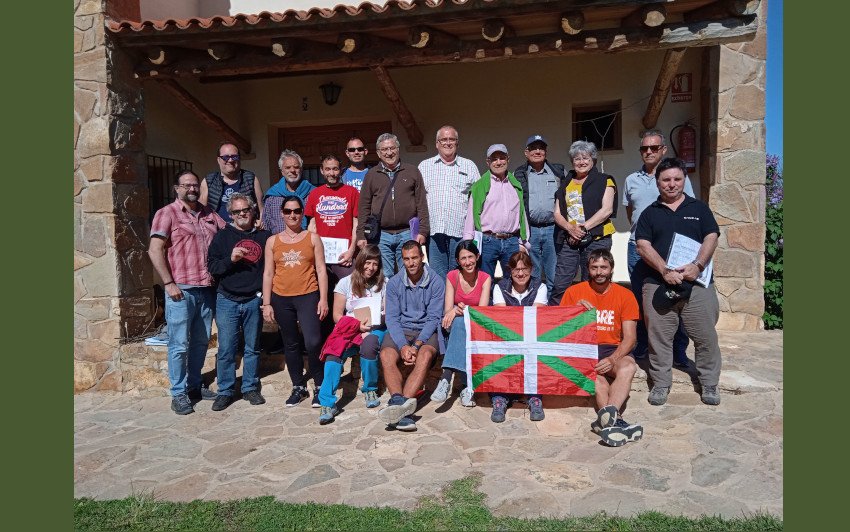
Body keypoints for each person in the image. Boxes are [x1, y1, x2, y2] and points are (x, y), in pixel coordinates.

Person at [635, 157, 722, 406]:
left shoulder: (699, 208)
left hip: (697, 284)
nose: (671, 184)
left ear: (684, 180)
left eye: (677, 179)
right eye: (666, 180)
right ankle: (661, 384)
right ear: (658, 183)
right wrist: (664, 270)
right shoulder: (649, 213)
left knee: (705, 337)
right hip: (658, 283)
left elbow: (712, 236)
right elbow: (642, 245)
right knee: (659, 338)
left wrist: (698, 265)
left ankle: (710, 384)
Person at [148, 169, 225, 415]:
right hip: (180, 289)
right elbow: (154, 250)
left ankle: (194, 385)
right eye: (186, 185)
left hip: (207, 288)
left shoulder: (209, 214)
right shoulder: (166, 214)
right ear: (177, 188)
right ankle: (178, 392)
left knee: (201, 342)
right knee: (179, 344)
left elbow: (231, 233)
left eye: (195, 185)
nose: (192, 189)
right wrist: (168, 283)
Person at [623, 131, 695, 367]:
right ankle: (643, 344)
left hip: (670, 250)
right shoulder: (631, 179)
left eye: (654, 148)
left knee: (678, 298)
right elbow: (631, 213)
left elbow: (688, 208)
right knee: (640, 300)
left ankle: (679, 350)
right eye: (645, 148)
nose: (649, 152)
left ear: (664, 149)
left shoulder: (674, 178)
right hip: (638, 248)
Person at [560, 249, 642, 446]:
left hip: (611, 349)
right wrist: (575, 311)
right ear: (588, 270)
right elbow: (561, 331)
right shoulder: (574, 292)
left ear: (612, 269)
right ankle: (617, 422)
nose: (599, 272)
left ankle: (606, 421)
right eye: (594, 267)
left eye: (603, 267)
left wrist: (613, 359)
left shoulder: (625, 295)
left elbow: (630, 338)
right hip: (583, 349)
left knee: (628, 367)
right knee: (599, 383)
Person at [205, 193, 271, 411]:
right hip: (227, 300)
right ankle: (225, 391)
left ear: (252, 211)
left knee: (252, 348)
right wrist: (230, 260)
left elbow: (271, 270)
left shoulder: (264, 236)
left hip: (253, 300)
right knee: (226, 349)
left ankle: (250, 387)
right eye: (236, 211)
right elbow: (213, 268)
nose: (242, 214)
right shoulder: (222, 237)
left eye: (245, 210)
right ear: (230, 214)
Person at [262, 196, 328, 407]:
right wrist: (267, 303)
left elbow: (321, 270)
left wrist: (324, 299)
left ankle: (319, 386)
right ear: (282, 213)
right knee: (290, 344)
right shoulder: (273, 241)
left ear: (302, 213)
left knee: (313, 342)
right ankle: (298, 387)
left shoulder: (313, 238)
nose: (293, 215)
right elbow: (268, 274)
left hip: (308, 295)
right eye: (288, 211)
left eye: (297, 211)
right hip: (281, 298)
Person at [377, 241, 445, 431]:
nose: (411, 263)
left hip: (426, 330)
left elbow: (433, 319)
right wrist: (403, 346)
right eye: (406, 259)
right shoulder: (394, 284)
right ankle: (400, 404)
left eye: (414, 257)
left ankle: (399, 410)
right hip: (402, 329)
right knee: (386, 355)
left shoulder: (437, 282)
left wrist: (415, 346)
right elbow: (391, 318)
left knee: (424, 356)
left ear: (422, 257)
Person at [316, 244, 388, 424]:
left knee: (369, 346)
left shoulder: (384, 284)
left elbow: (387, 313)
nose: (371, 268)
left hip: (374, 328)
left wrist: (373, 323)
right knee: (333, 352)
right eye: (368, 262)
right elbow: (336, 315)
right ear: (360, 261)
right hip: (349, 329)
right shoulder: (345, 283)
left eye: (375, 264)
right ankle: (327, 402)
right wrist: (356, 326)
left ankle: (370, 388)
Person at [551, 140, 618, 306]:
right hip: (570, 238)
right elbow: (557, 213)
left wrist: (581, 229)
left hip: (596, 239)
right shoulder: (566, 182)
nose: (581, 162)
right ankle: (556, 324)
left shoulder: (605, 180)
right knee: (561, 283)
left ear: (593, 159)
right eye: (577, 158)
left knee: (593, 280)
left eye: (585, 158)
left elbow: (607, 210)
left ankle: (592, 322)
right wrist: (570, 229)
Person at [356, 133, 430, 278]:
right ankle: (389, 301)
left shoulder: (412, 171)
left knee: (410, 273)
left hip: (408, 232)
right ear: (378, 153)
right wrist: (360, 234)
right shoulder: (371, 175)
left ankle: (409, 301)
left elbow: (421, 203)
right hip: (381, 235)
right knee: (385, 275)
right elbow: (364, 206)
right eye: (384, 150)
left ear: (398, 149)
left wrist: (423, 231)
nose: (389, 153)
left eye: (392, 148)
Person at [431, 240, 491, 407]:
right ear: (457, 261)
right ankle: (466, 388)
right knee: (458, 323)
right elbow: (448, 310)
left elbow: (482, 312)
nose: (467, 262)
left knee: (460, 323)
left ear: (477, 257)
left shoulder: (485, 279)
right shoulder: (452, 276)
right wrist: (458, 311)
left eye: (471, 257)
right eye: (463, 258)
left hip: (476, 326)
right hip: (454, 324)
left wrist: (463, 311)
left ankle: (446, 378)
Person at [490, 252, 547, 423]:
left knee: (537, 355)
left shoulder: (540, 286)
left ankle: (535, 398)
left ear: (531, 268)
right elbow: (502, 319)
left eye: (524, 269)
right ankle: (499, 398)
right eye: (516, 270)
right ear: (510, 270)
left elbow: (534, 317)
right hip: (507, 338)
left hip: (532, 338)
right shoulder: (500, 287)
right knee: (497, 354)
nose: (521, 274)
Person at [419, 126, 481, 279]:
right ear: (437, 143)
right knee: (437, 274)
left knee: (459, 273)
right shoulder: (424, 166)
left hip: (460, 230)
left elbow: (479, 199)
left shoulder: (469, 166)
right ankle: (442, 303)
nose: (448, 143)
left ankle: (458, 303)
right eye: (444, 139)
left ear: (457, 143)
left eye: (451, 139)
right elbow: (417, 199)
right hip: (434, 231)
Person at [462, 144, 530, 279]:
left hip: (511, 241)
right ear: (488, 162)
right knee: (485, 282)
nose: (498, 162)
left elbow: (522, 215)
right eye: (494, 159)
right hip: (487, 241)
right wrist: (469, 244)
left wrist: (524, 243)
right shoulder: (480, 186)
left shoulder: (515, 184)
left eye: (502, 158)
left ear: (508, 159)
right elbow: (471, 216)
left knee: (512, 281)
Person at [513, 135, 566, 294]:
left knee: (553, 273)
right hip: (531, 230)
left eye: (541, 148)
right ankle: (535, 305)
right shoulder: (519, 174)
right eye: (533, 148)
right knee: (532, 272)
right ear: (526, 152)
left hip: (553, 229)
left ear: (546, 151)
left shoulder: (558, 172)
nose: (537, 151)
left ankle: (553, 310)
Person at [306, 154, 360, 281]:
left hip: (344, 255)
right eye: (328, 169)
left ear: (341, 170)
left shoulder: (352, 192)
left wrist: (351, 251)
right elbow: (312, 226)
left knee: (350, 289)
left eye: (335, 169)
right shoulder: (314, 194)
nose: (332, 173)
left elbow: (356, 224)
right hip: (321, 254)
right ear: (322, 171)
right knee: (322, 293)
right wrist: (312, 252)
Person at [200, 141, 264, 223]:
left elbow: (261, 209)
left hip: (247, 230)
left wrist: (260, 223)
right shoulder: (209, 180)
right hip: (218, 230)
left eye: (234, 157)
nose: (230, 160)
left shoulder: (250, 178)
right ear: (218, 160)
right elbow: (201, 211)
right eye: (225, 157)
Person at [261, 150, 315, 234]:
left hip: (307, 244)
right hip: (279, 244)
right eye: (287, 167)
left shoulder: (314, 193)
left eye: (296, 167)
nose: (292, 170)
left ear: (301, 169)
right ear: (282, 171)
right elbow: (266, 226)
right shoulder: (272, 196)